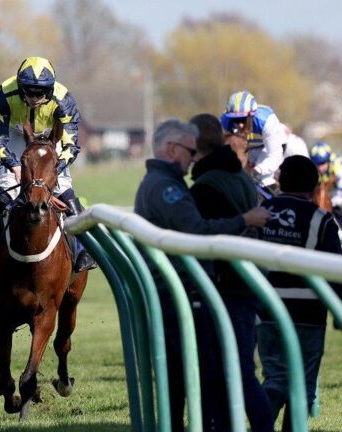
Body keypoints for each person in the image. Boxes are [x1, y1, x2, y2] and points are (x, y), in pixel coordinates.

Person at [134, 118, 271, 432]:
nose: (193, 159)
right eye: (188, 151)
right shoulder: (166, 187)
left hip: (183, 291)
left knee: (191, 378)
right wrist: (245, 219)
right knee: (208, 375)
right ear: (171, 149)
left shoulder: (163, 182)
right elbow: (196, 232)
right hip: (182, 293)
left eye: (196, 151)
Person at [188, 114, 274, 431]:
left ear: (196, 147)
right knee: (235, 367)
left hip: (227, 288)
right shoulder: (238, 176)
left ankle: (260, 425)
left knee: (232, 369)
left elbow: (201, 234)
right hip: (245, 282)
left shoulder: (208, 185)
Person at [0, 56, 95, 272]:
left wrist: (53, 170)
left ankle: (84, 250)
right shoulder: (4, 93)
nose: (34, 97)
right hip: (17, 135)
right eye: (28, 91)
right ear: (20, 87)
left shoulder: (63, 99)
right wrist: (13, 165)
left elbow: (71, 145)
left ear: (50, 89)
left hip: (51, 140)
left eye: (40, 92)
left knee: (65, 192)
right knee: (2, 194)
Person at [256, 155, 342, 431]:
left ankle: (261, 423)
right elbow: (334, 269)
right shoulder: (322, 220)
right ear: (314, 185)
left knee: (275, 379)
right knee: (302, 387)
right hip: (309, 314)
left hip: (266, 310)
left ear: (280, 181)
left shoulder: (260, 211)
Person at [220, 90, 288, 191]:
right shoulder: (224, 122)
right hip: (247, 148)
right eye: (236, 120)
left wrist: (257, 171)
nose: (240, 125)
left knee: (264, 179)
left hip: (268, 147)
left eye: (243, 119)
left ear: (252, 116)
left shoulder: (267, 121)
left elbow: (275, 155)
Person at [309, 141, 342, 209]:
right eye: (319, 164)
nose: (321, 167)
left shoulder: (337, 163)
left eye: (323, 163)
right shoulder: (312, 170)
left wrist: (338, 197)